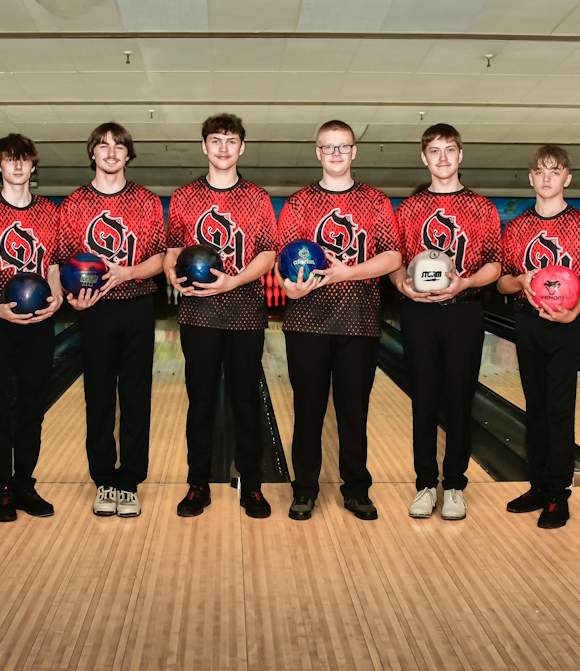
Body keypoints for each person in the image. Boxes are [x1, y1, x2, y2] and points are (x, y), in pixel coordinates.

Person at [275, 119, 402, 521]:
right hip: (305, 324)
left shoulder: (376, 202)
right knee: (308, 410)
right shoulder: (297, 204)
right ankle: (305, 490)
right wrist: (290, 288)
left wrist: (347, 271)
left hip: (359, 323)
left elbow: (393, 257)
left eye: (342, 146)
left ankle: (357, 490)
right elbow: (283, 262)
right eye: (328, 147)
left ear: (353, 152)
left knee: (353, 411)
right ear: (317, 153)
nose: (335, 153)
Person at [164, 113, 278, 519]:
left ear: (241, 147)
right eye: (216, 140)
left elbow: (268, 253)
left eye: (231, 141)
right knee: (201, 402)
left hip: (246, 313)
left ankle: (252, 484)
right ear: (205, 146)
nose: (224, 148)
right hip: (198, 314)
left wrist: (233, 282)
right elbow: (173, 251)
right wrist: (170, 275)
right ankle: (197, 484)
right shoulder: (184, 196)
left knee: (246, 401)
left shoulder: (258, 198)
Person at [390, 123, 502, 521]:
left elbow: (495, 264)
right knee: (423, 400)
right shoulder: (407, 210)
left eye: (449, 150)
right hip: (418, 312)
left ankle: (453, 485)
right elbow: (396, 262)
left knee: (459, 399)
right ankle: (424, 484)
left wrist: (466, 282)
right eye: (434, 151)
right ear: (424, 158)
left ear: (460, 155)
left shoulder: (483, 208)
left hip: (464, 310)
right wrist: (402, 285)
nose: (442, 158)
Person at [59, 123, 166, 518]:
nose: (110, 152)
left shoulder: (148, 201)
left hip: (137, 304)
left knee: (136, 397)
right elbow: (65, 263)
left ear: (127, 155)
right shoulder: (72, 206)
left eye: (118, 146)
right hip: (95, 311)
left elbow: (160, 259)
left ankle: (130, 480)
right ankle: (104, 479)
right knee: (99, 397)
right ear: (92, 153)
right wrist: (73, 297)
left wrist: (127, 272)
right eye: (103, 146)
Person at [497, 145, 580, 529]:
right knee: (535, 406)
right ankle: (538, 485)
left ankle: (559, 495)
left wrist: (573, 312)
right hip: (527, 324)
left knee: (559, 409)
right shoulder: (519, 226)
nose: (546, 178)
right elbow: (504, 282)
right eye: (540, 171)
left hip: (565, 325)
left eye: (554, 172)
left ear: (566, 178)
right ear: (530, 177)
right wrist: (520, 280)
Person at [0, 133, 63, 522]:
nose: (18, 166)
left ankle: (25, 483)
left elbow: (53, 266)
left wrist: (54, 299)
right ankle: (3, 487)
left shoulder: (50, 213)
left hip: (38, 324)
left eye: (24, 160)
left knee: (33, 409)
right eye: (10, 160)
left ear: (33, 166)